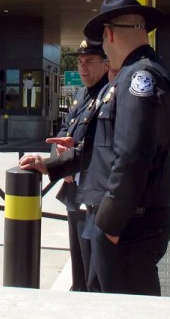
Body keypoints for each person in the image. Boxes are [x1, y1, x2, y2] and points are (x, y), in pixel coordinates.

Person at [20, 0, 170, 296]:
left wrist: (110, 225)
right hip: (123, 221)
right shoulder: (134, 76)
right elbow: (104, 147)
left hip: (127, 224)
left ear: (108, 34)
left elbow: (134, 156)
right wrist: (51, 164)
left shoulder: (139, 77)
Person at [53, 39, 109, 291]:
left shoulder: (108, 94)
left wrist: (70, 161)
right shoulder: (80, 94)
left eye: (89, 61)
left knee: (93, 272)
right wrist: (59, 153)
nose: (82, 67)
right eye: (79, 61)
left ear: (106, 64)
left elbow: (101, 144)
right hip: (74, 192)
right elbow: (65, 130)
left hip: (94, 194)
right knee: (78, 268)